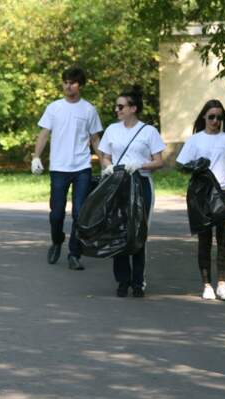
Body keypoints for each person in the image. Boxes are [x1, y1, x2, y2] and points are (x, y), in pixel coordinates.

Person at [31, 67, 103, 271]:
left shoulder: (88, 109)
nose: (68, 85)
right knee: (56, 213)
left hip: (82, 167)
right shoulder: (54, 108)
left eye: (72, 82)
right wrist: (36, 156)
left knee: (80, 213)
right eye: (65, 82)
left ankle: (74, 254)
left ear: (80, 85)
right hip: (59, 167)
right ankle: (57, 240)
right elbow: (44, 134)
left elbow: (95, 139)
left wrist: (105, 163)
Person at [98, 86, 165, 298]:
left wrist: (141, 165)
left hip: (141, 183)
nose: (117, 109)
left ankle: (138, 281)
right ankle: (122, 280)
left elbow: (159, 161)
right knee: (118, 230)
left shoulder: (149, 131)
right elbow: (104, 155)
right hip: (118, 184)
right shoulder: (112, 129)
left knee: (138, 232)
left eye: (121, 106)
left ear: (133, 108)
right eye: (117, 106)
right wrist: (107, 166)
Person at [176, 99, 225, 301]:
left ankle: (222, 283)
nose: (215, 121)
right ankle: (206, 284)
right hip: (201, 195)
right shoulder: (195, 140)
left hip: (223, 192)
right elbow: (181, 164)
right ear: (204, 116)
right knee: (204, 240)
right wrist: (195, 166)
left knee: (224, 240)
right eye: (211, 116)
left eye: (219, 117)